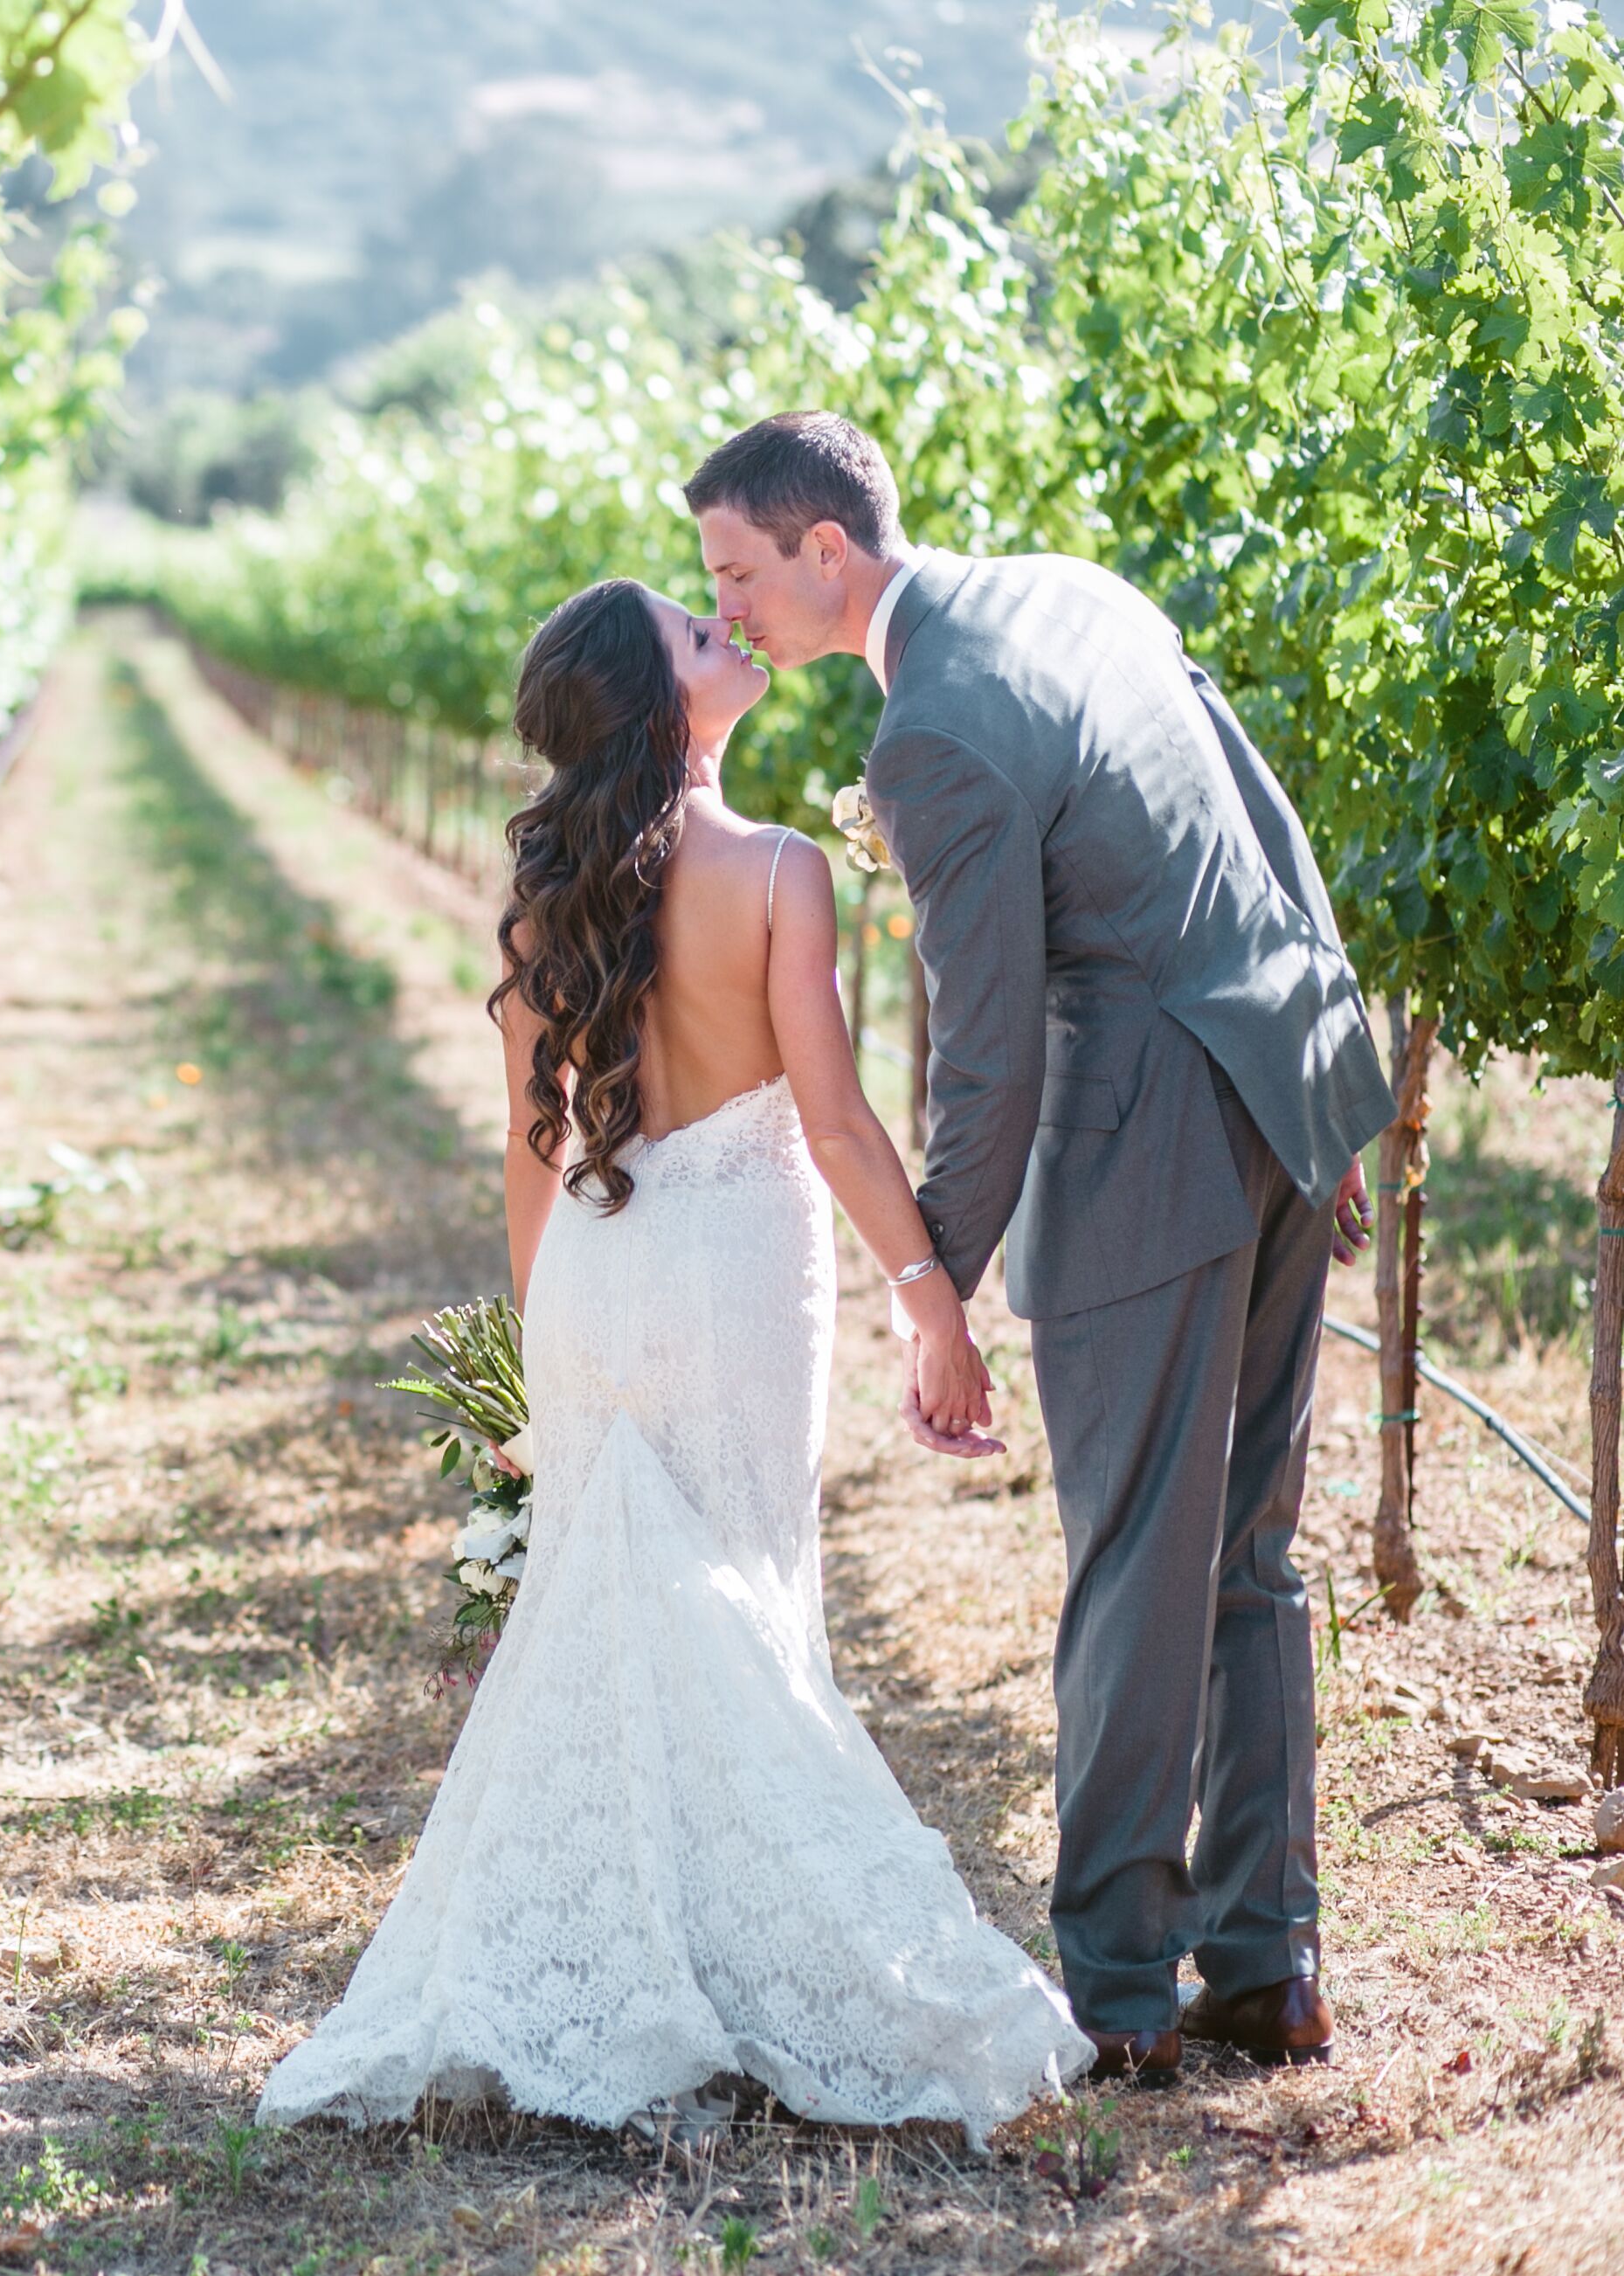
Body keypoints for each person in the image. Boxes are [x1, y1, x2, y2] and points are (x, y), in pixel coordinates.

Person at [256, 575, 1089, 2141]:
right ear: (660, 704)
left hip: (594, 1270)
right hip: (735, 1280)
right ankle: (776, 1959)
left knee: (624, 1603)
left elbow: (530, 1157)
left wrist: (537, 1356)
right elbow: (836, 1124)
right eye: (698, 636)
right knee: (743, 1589)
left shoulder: (538, 902)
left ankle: (646, 1952)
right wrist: (931, 1299)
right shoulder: (779, 871)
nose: (734, 636)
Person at [686, 412, 1389, 2078]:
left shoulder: (930, 730)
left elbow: (986, 1046)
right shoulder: (1075, 590)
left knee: (1139, 1558)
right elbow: (1261, 810)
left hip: (1147, 1135)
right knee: (1248, 1546)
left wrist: (937, 1286)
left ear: (828, 551)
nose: (727, 612)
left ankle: (1125, 1996)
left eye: (737, 573)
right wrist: (1334, 1090)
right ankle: (1268, 1960)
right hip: (1279, 1081)